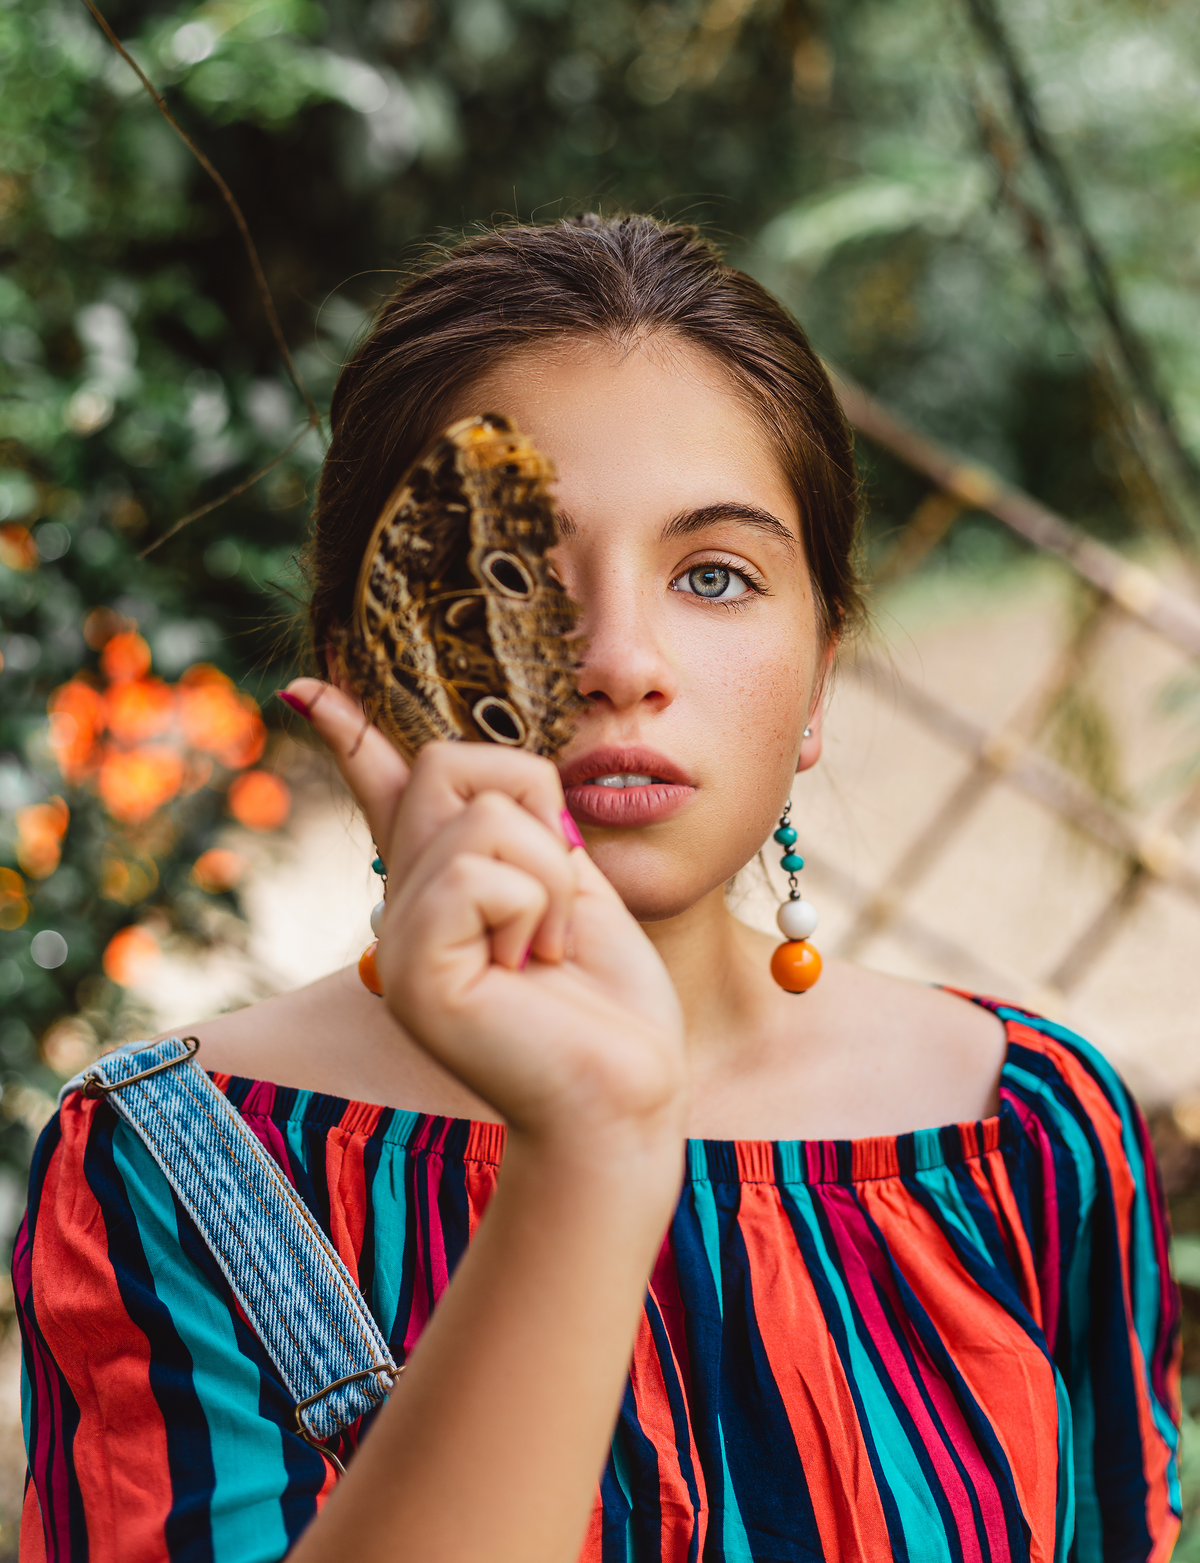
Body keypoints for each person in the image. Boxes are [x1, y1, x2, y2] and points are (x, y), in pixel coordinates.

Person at [15, 216, 1181, 1563]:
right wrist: (589, 1150)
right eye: (516, 579)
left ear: (821, 672)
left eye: (715, 576)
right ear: (364, 668)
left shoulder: (1025, 1130)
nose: (621, 659)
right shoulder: (174, 1170)